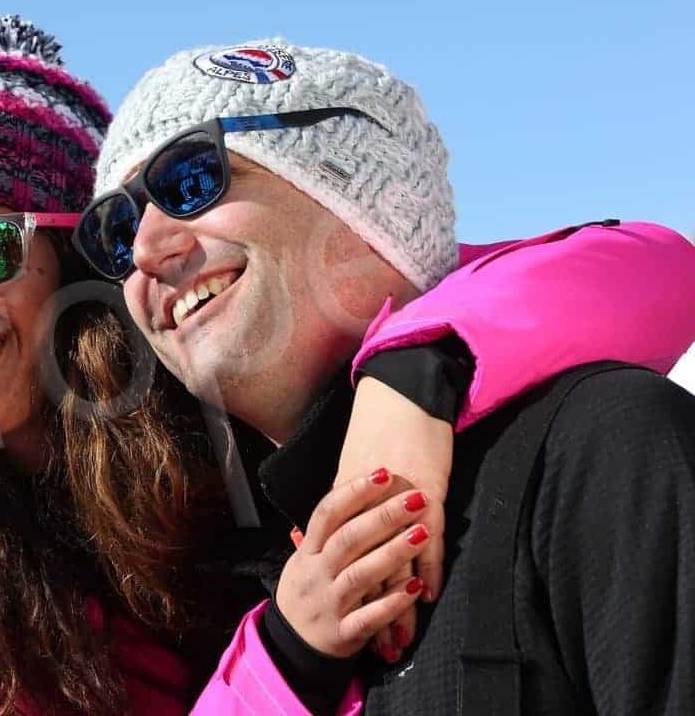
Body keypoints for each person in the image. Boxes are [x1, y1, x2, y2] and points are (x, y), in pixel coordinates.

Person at [76, 37, 695, 714]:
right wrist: (290, 658)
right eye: (116, 229)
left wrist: (418, 368)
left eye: (190, 180)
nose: (142, 251)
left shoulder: (596, 449)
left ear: (356, 194)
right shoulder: (195, 576)